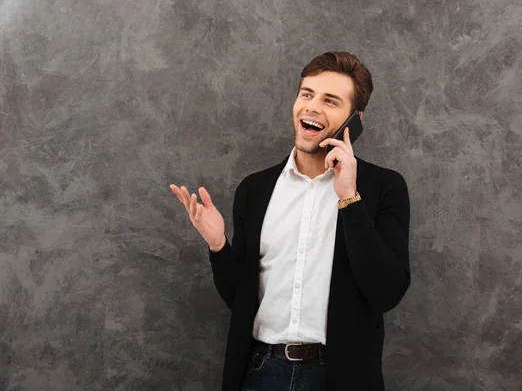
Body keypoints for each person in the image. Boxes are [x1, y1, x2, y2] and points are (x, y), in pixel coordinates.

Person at [170, 51, 410, 391]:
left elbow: (387, 292)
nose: (312, 107)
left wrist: (349, 198)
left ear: (354, 119)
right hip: (259, 372)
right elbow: (240, 300)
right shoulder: (255, 190)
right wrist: (218, 245)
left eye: (330, 100)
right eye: (307, 94)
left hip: (340, 377)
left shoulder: (384, 188)